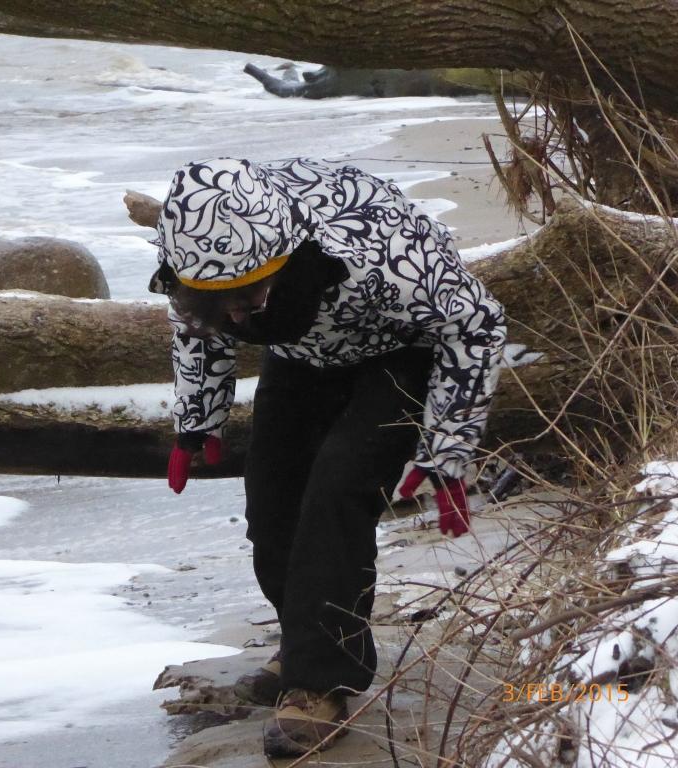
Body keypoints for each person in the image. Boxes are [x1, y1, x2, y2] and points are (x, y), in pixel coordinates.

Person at [148, 157, 506, 757]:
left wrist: (447, 450)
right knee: (272, 501)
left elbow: (475, 325)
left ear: (284, 264)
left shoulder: (382, 258)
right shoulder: (196, 255)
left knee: (338, 489)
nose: (234, 314)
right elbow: (196, 332)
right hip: (303, 355)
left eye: (246, 297)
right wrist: (197, 424)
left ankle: (318, 685)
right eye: (220, 302)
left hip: (400, 351)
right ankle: (304, 636)